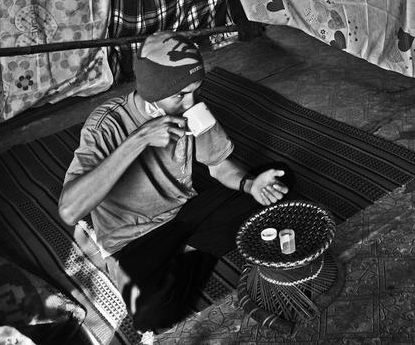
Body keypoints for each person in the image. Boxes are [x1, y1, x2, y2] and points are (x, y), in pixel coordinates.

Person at [58, 31, 288, 332]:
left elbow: (219, 166)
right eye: (180, 94)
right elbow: (69, 211)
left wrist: (250, 185)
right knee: (150, 315)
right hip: (132, 240)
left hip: (182, 215)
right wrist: (139, 139)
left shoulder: (193, 110)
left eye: (195, 90)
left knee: (280, 179)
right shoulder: (106, 124)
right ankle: (201, 246)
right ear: (153, 90)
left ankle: (189, 250)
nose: (191, 101)